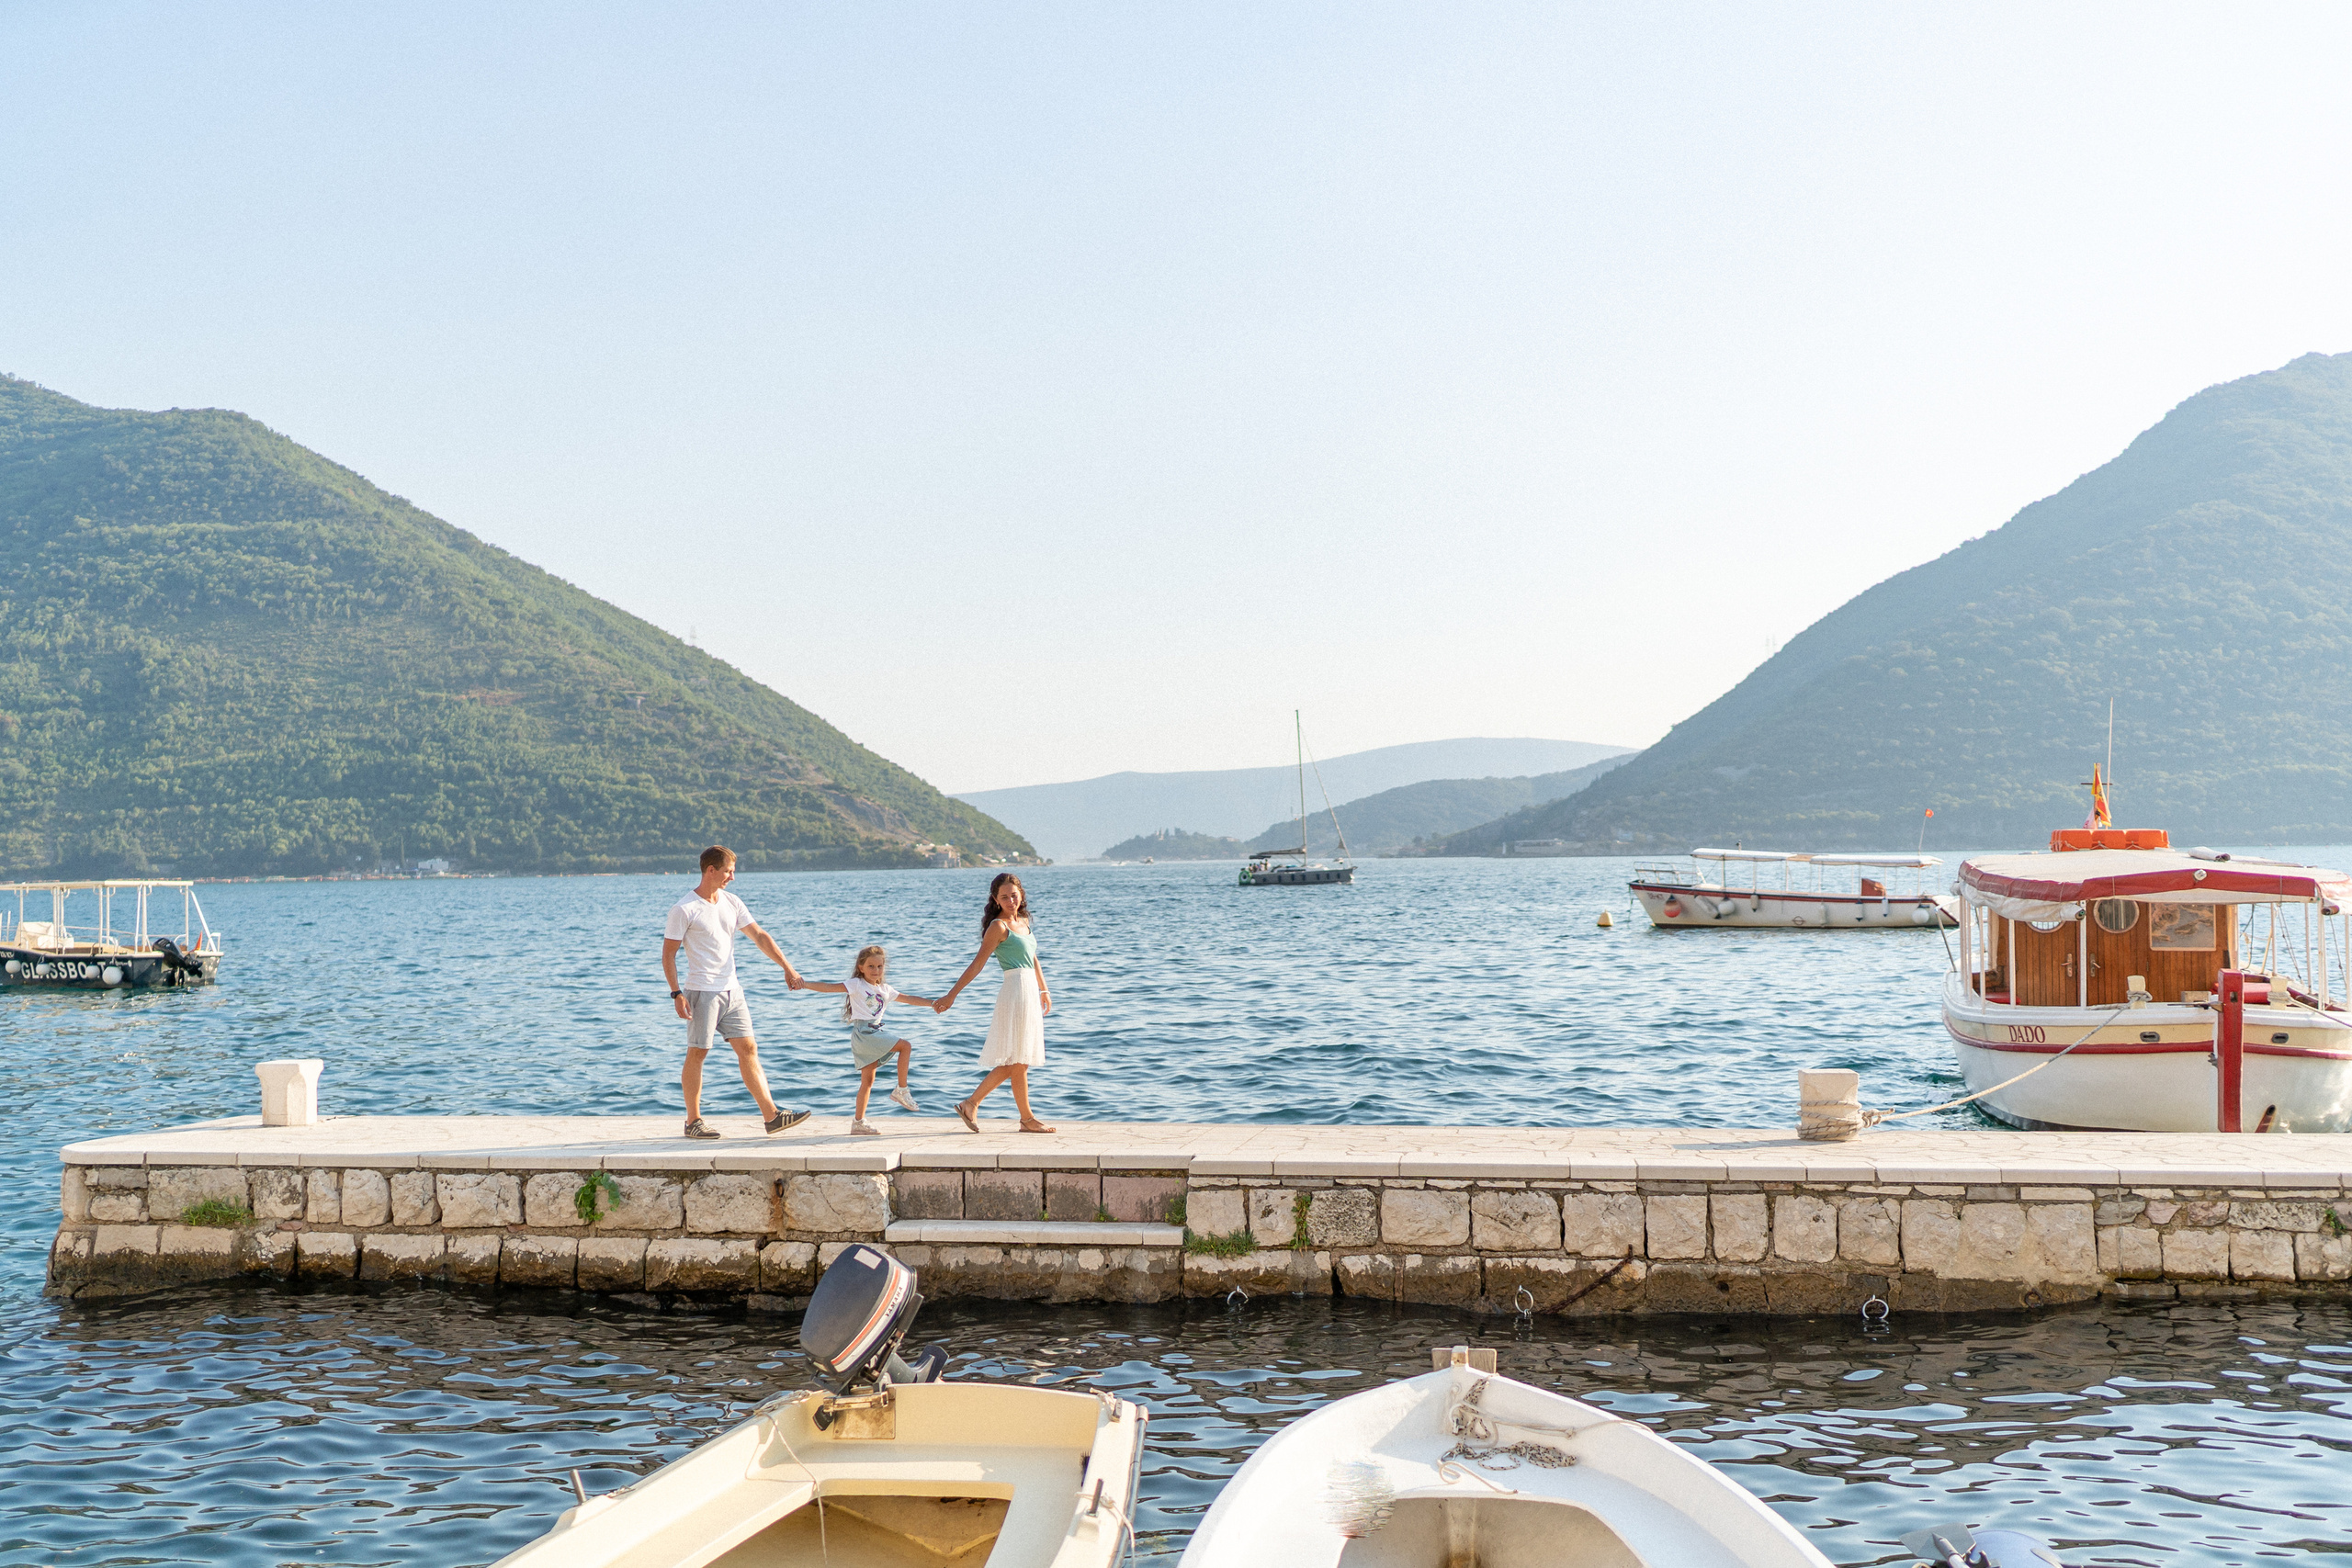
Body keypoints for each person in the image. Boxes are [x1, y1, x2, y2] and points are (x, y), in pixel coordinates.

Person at [658, 845, 813, 1140]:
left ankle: (772, 1116)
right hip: (701, 991)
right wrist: (676, 993)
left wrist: (787, 967)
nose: (732, 877)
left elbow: (759, 935)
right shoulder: (684, 909)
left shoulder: (731, 902)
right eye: (728, 871)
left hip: (732, 991)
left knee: (748, 1049)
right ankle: (693, 1121)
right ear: (710, 870)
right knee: (698, 1053)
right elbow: (668, 955)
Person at [939, 872, 1055, 1134]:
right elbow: (978, 964)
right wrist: (952, 994)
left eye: (1014, 895)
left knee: (1019, 1060)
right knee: (1018, 1059)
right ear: (996, 899)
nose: (1011, 900)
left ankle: (972, 1104)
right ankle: (1024, 1118)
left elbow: (1033, 957)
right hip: (1014, 991)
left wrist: (1044, 989)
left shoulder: (1024, 922)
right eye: (1004, 897)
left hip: (1029, 991)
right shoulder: (998, 927)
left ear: (1021, 894)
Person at [797, 945, 941, 1136]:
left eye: (880, 966)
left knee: (868, 1081)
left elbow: (908, 998)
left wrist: (933, 1003)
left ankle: (858, 1122)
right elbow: (828, 987)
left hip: (871, 1033)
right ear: (861, 967)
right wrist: (804, 984)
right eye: (871, 966)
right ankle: (902, 1090)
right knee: (905, 1046)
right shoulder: (856, 984)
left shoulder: (885, 990)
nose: (876, 971)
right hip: (864, 1034)